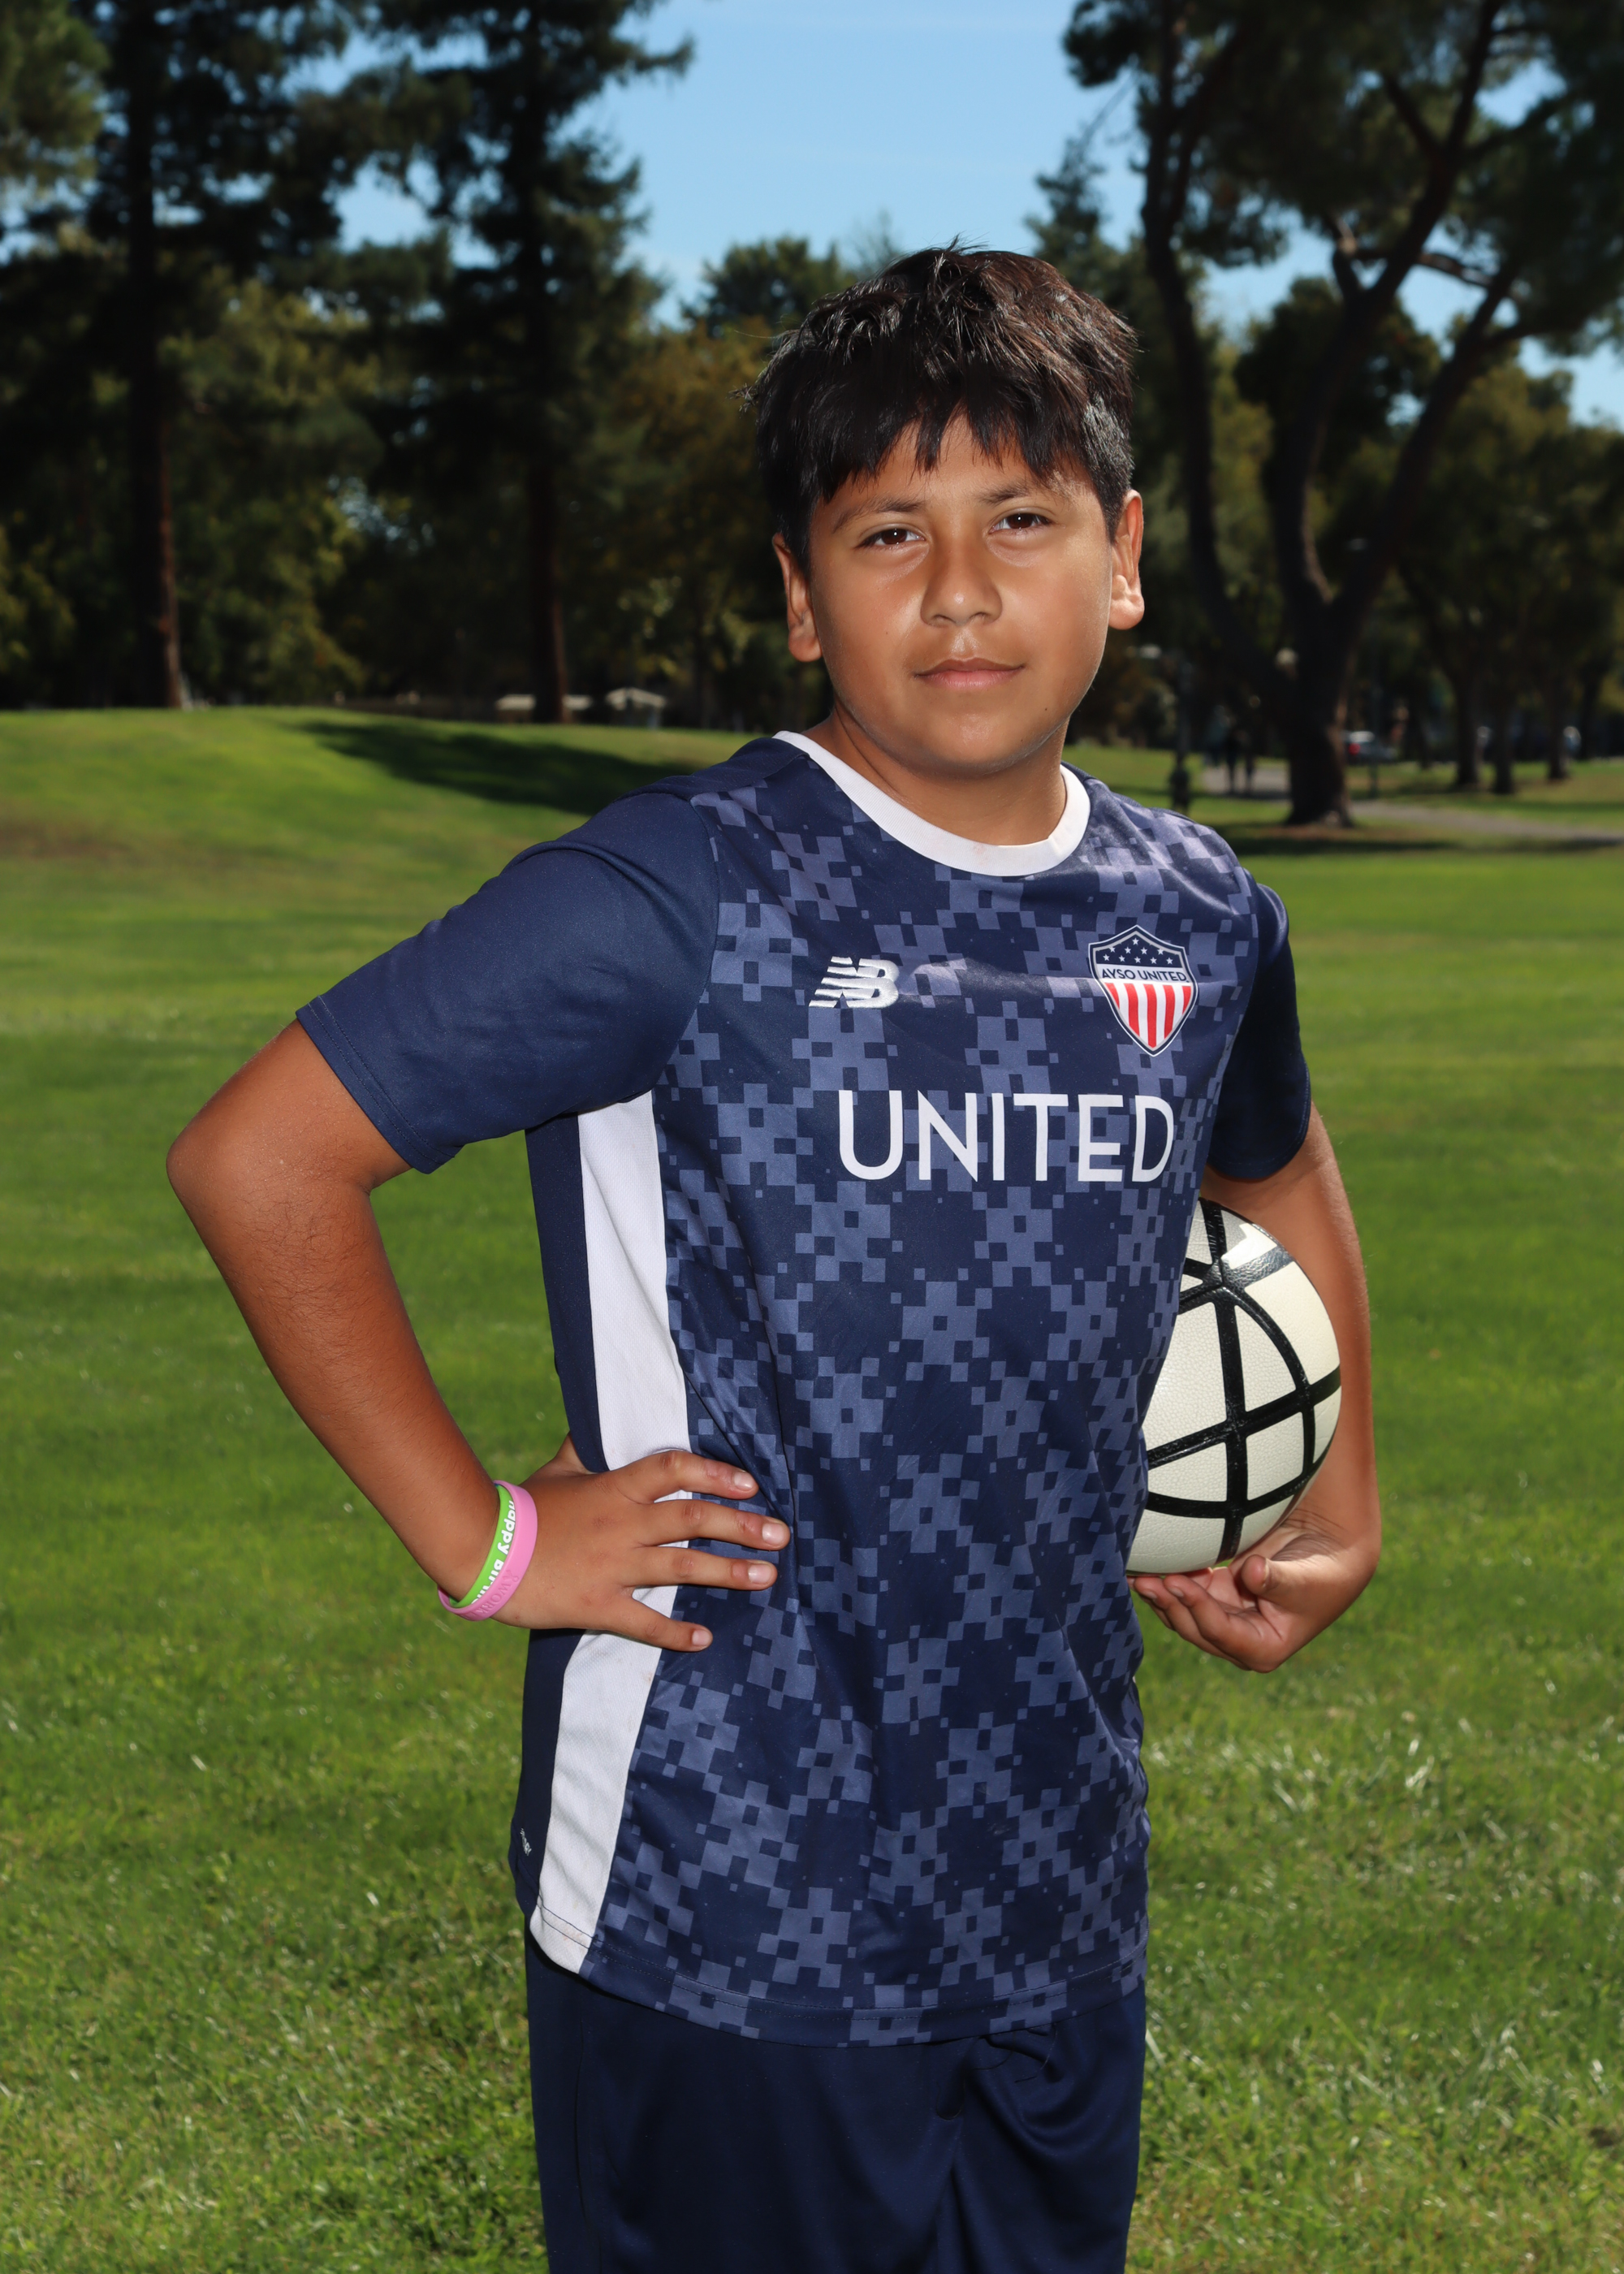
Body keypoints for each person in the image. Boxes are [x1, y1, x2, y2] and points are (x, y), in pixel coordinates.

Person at [167, 248, 1380, 2274]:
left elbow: (1274, 1158)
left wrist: (1332, 1494)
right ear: (804, 596)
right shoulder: (683, 890)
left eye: (1021, 519)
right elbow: (262, 1156)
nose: (961, 590)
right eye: (888, 533)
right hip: (722, 1895)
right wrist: (486, 1538)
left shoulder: (1195, 906)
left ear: (1123, 556)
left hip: (1057, 1882)